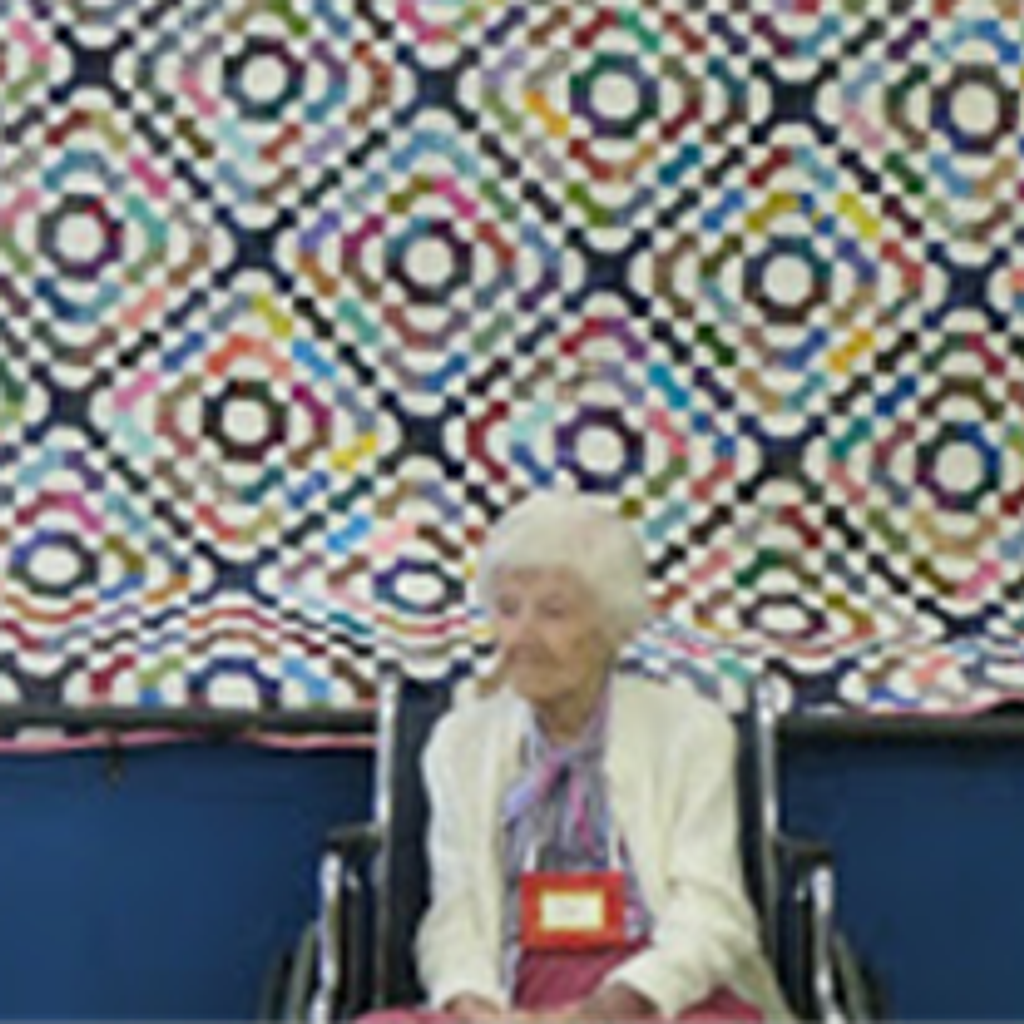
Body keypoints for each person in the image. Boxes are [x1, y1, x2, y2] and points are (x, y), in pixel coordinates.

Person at [366, 491, 795, 1024]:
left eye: (553, 613)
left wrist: (619, 1004)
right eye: (507, 610)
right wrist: (473, 1003)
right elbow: (454, 917)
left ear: (613, 626)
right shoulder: (459, 744)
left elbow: (714, 914)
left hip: (656, 996)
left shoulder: (690, 734)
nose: (523, 637)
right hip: (510, 991)